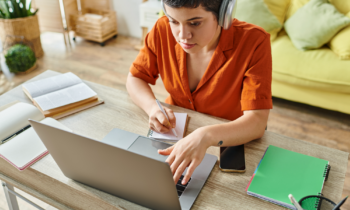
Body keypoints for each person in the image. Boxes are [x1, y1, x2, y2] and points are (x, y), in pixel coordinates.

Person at [126, 0, 272, 186]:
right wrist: (153, 108)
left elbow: (257, 122)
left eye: (195, 23)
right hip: (175, 136)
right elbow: (135, 78)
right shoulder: (161, 29)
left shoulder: (254, 41)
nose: (182, 35)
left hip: (227, 142)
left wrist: (205, 136)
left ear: (222, 15)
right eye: (174, 21)